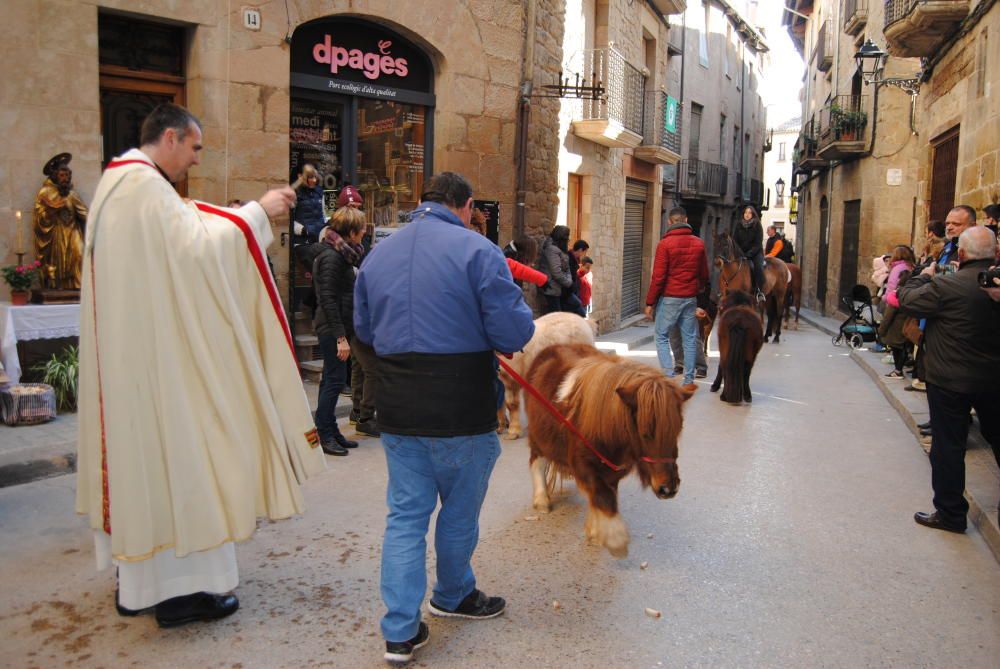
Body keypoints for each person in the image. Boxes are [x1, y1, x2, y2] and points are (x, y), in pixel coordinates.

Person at [77, 103, 325, 627]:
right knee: (186, 458)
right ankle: (180, 594)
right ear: (170, 138)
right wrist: (257, 212)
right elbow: (195, 254)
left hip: (141, 356)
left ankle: (138, 584)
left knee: (148, 465)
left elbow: (183, 234)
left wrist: (241, 214)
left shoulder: (118, 186)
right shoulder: (141, 187)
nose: (194, 159)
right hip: (163, 363)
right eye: (194, 148)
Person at [354, 172, 534, 664]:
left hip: (398, 407)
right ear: (467, 205)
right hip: (463, 407)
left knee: (405, 517)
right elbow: (514, 332)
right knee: (457, 512)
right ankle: (453, 596)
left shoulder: (378, 254)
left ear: (421, 204)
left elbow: (365, 330)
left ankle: (400, 631)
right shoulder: (479, 253)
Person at [897, 226, 1000, 533]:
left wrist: (924, 275)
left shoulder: (947, 286)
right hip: (993, 380)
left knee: (948, 447)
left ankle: (951, 514)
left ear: (962, 254)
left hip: (949, 381)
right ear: (995, 253)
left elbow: (906, 299)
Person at [305, 207, 370, 456]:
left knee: (331, 381)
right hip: (332, 329)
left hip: (339, 327)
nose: (365, 232)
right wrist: (341, 338)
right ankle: (324, 433)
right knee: (333, 382)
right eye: (362, 228)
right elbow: (328, 299)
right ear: (351, 231)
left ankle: (330, 429)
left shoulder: (343, 255)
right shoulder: (332, 258)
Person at [644, 206, 709, 392]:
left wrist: (650, 302)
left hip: (670, 297)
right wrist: (698, 290)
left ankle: (668, 377)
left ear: (669, 222)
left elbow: (658, 277)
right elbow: (704, 274)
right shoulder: (699, 244)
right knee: (690, 338)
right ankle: (688, 380)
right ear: (686, 220)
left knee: (661, 336)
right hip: (690, 297)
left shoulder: (664, 244)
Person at [33, 153, 88, 290]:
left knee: (80, 255)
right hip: (55, 234)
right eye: (62, 175)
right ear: (55, 176)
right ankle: (55, 286)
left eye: (68, 175)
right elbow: (39, 218)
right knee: (55, 262)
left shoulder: (72, 194)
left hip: (73, 232)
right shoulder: (45, 192)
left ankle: (78, 288)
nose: (66, 179)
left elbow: (85, 213)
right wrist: (51, 211)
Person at [876, 245, 915, 379]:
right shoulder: (909, 267)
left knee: (897, 346)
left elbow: (891, 288)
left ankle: (898, 371)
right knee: (901, 345)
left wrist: (887, 299)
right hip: (904, 309)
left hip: (894, 307)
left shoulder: (897, 269)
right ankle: (899, 369)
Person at [538, 225, 575, 314]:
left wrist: (569, 280)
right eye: (567, 236)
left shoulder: (560, 248)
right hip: (552, 288)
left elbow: (566, 268)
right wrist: (569, 283)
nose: (568, 239)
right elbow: (556, 272)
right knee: (556, 316)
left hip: (560, 288)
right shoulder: (552, 250)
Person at [733, 204, 766, 302]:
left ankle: (759, 291)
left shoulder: (757, 225)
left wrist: (749, 255)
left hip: (755, 253)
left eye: (749, 213)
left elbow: (758, 243)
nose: (747, 215)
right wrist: (739, 253)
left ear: (753, 214)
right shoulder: (739, 225)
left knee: (757, 267)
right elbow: (735, 241)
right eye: (746, 213)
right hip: (742, 253)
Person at [293, 164, 326, 242]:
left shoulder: (319, 191)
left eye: (315, 177)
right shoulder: (296, 193)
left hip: (319, 238)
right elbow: (290, 219)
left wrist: (324, 228)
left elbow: (324, 214)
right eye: (311, 177)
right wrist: (302, 230)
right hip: (303, 240)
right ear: (301, 177)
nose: (314, 180)